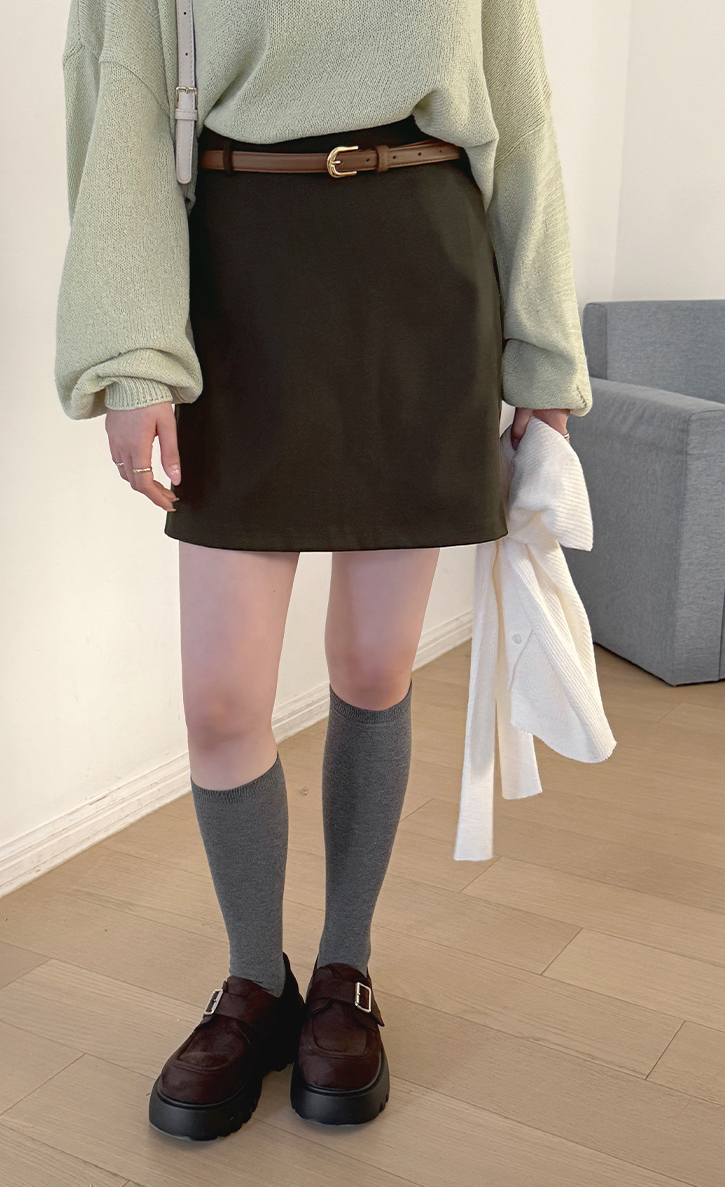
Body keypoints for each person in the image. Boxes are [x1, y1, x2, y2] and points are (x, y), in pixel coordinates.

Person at [55, 0, 593, 1141]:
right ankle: (255, 981)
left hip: (422, 275)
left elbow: (522, 111)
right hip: (239, 280)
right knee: (221, 701)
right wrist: (130, 354)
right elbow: (119, 99)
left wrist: (546, 359)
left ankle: (346, 969)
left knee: (373, 666)